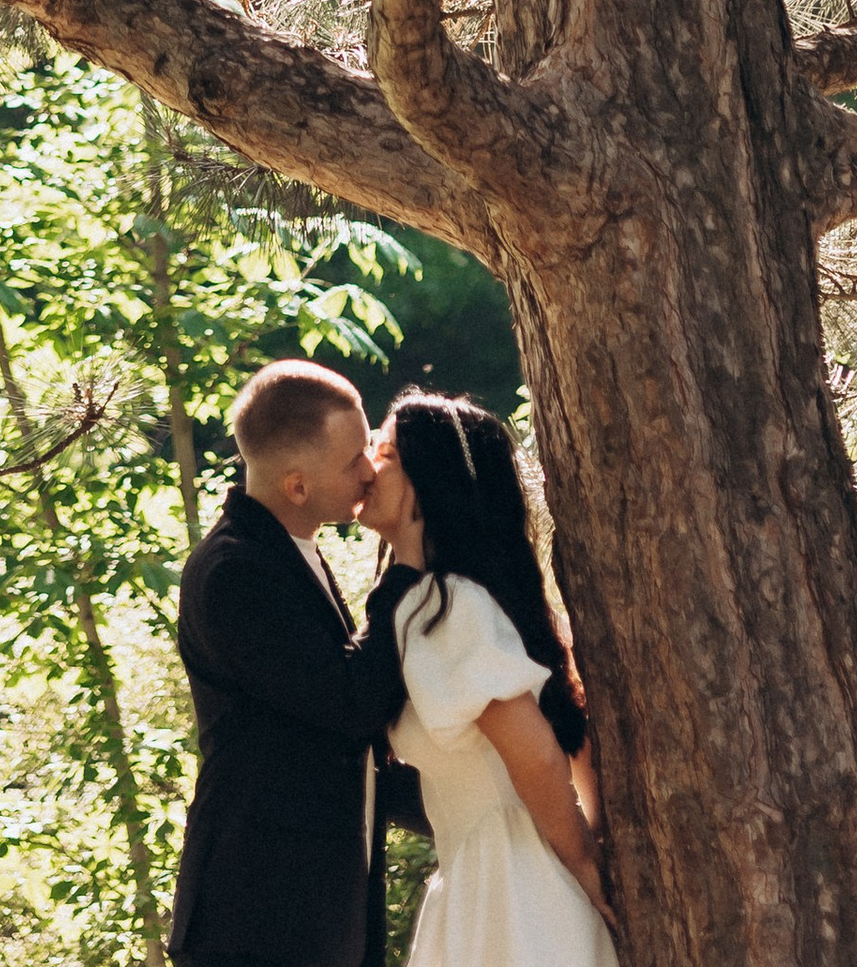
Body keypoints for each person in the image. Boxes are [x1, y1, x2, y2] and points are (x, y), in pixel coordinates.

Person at [169, 359, 422, 967]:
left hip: (318, 912)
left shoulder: (286, 549)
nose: (369, 471)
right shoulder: (234, 573)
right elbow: (350, 702)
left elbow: (330, 745)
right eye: (353, 461)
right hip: (257, 917)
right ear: (298, 486)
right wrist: (407, 565)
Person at [358, 390, 616, 967]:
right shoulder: (432, 604)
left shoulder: (449, 606)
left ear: (430, 479)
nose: (367, 464)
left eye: (387, 452)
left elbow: (538, 755)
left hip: (520, 893)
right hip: (488, 883)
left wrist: (582, 861)